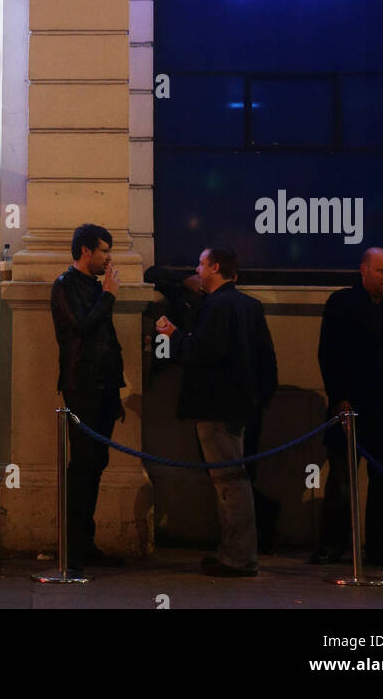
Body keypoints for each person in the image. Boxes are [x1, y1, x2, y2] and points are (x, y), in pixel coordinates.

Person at [156, 246, 277, 578]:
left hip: (215, 405)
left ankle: (238, 556)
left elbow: (202, 351)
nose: (197, 269)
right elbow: (267, 358)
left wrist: (172, 335)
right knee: (235, 480)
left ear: (215, 268)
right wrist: (260, 399)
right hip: (243, 407)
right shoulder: (249, 306)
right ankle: (232, 552)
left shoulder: (216, 307)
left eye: (201, 263)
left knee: (229, 483)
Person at [312, 246, 383, 567]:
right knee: (341, 479)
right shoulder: (341, 304)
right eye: (382, 271)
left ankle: (378, 544)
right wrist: (338, 396)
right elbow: (328, 355)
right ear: (364, 270)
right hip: (350, 404)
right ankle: (334, 544)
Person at [50, 223, 125, 568]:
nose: (108, 258)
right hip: (82, 386)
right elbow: (80, 328)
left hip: (104, 387)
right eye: (104, 251)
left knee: (96, 465)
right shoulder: (65, 286)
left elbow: (106, 340)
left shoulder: (95, 287)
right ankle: (72, 547)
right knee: (81, 466)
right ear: (85, 251)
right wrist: (108, 295)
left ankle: (86, 542)